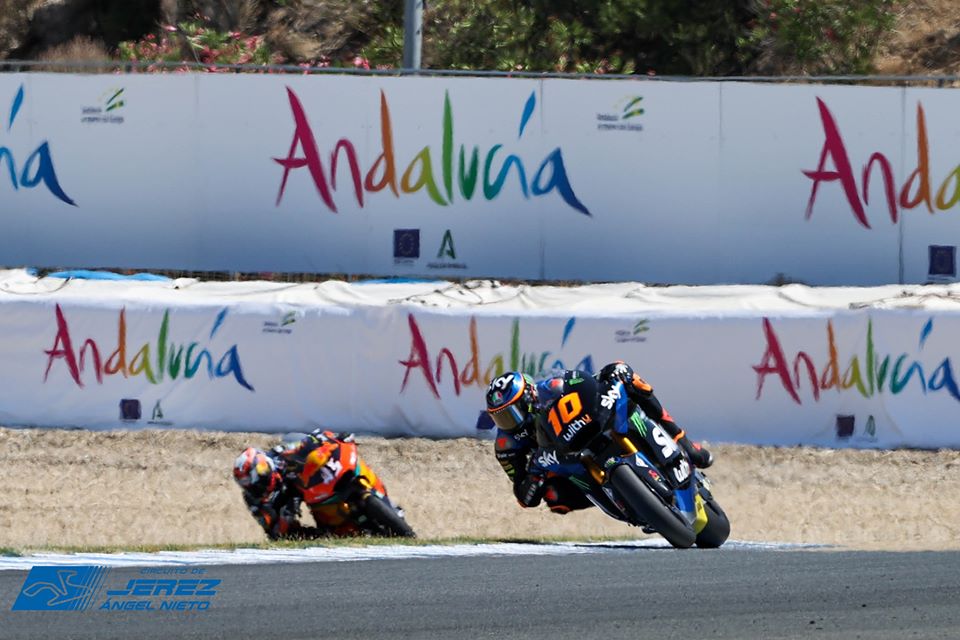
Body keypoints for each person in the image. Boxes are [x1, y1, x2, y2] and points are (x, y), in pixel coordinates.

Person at [485, 361, 713, 513]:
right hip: (567, 463)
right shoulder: (507, 445)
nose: (509, 423)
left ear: (528, 398)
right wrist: (535, 478)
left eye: (512, 413)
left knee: (624, 373)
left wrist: (607, 377)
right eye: (501, 418)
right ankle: (630, 503)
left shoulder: (550, 388)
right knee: (555, 499)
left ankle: (684, 442)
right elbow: (524, 497)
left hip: (590, 427)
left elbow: (585, 383)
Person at [232, 446, 322, 540]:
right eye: (243, 482)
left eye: (247, 480)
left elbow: (308, 446)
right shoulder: (252, 498)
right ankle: (319, 536)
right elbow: (271, 529)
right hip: (286, 498)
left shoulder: (281, 456)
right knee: (279, 533)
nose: (249, 486)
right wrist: (286, 514)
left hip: (304, 484)